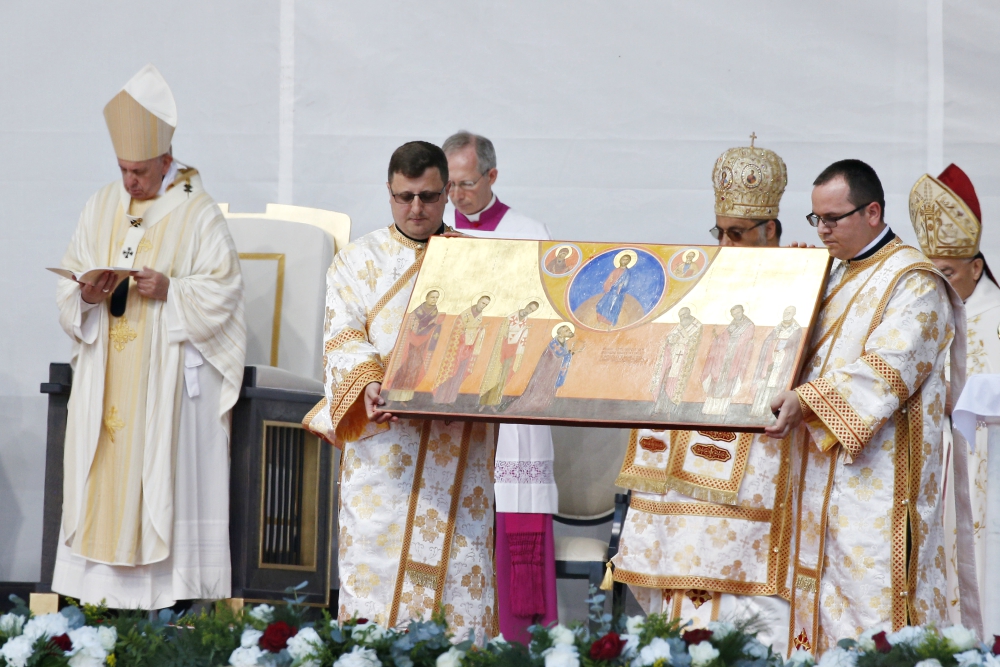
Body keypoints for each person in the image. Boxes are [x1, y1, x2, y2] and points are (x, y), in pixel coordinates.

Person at [51, 64, 246, 609]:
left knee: (161, 480)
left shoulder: (199, 213)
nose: (130, 181)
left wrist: (170, 290)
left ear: (167, 160)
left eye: (139, 170)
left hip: (166, 380)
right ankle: (96, 599)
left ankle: (169, 605)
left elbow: (225, 292)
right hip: (105, 378)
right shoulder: (101, 205)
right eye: (123, 169)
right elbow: (71, 280)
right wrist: (87, 294)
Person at [766, 159, 973, 651]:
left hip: (878, 494)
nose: (821, 231)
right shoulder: (836, 276)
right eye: (815, 218)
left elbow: (889, 369)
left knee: (872, 618)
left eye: (833, 218)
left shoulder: (914, 281)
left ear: (873, 211)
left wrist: (806, 401)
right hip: (820, 483)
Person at [304, 141, 496, 640]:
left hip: (457, 451)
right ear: (389, 193)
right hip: (383, 458)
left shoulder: (480, 262)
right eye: (404, 197)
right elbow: (342, 337)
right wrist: (365, 385)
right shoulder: (356, 263)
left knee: (459, 596)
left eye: (429, 197)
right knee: (377, 598)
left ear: (448, 193)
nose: (416, 209)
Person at [612, 140, 793, 652]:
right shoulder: (706, 280)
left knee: (747, 605)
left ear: (771, 230)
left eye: (737, 233)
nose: (726, 244)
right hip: (689, 457)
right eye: (720, 232)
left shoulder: (802, 282)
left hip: (759, 469)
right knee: (682, 574)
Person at [442, 131, 558, 642]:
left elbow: (548, 316)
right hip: (452, 392)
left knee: (513, 504)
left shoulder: (529, 231)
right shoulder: (437, 229)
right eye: (448, 184)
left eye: (466, 183)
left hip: (512, 391)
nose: (455, 196)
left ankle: (517, 635)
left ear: (491, 176)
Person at [910, 164, 999, 629]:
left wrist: (961, 398)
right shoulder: (927, 312)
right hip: (935, 464)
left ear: (977, 267)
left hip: (988, 465)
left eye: (946, 272)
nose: (936, 286)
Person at [431, 295, 491, 404]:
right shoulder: (464, 315)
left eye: (486, 305)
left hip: (467, 350)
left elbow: (472, 331)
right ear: (478, 301)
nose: (483, 306)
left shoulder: (479, 316)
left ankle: (450, 400)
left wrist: (479, 329)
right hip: (456, 351)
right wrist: (475, 329)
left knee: (458, 376)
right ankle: (439, 399)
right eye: (483, 303)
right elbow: (458, 331)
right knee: (450, 373)